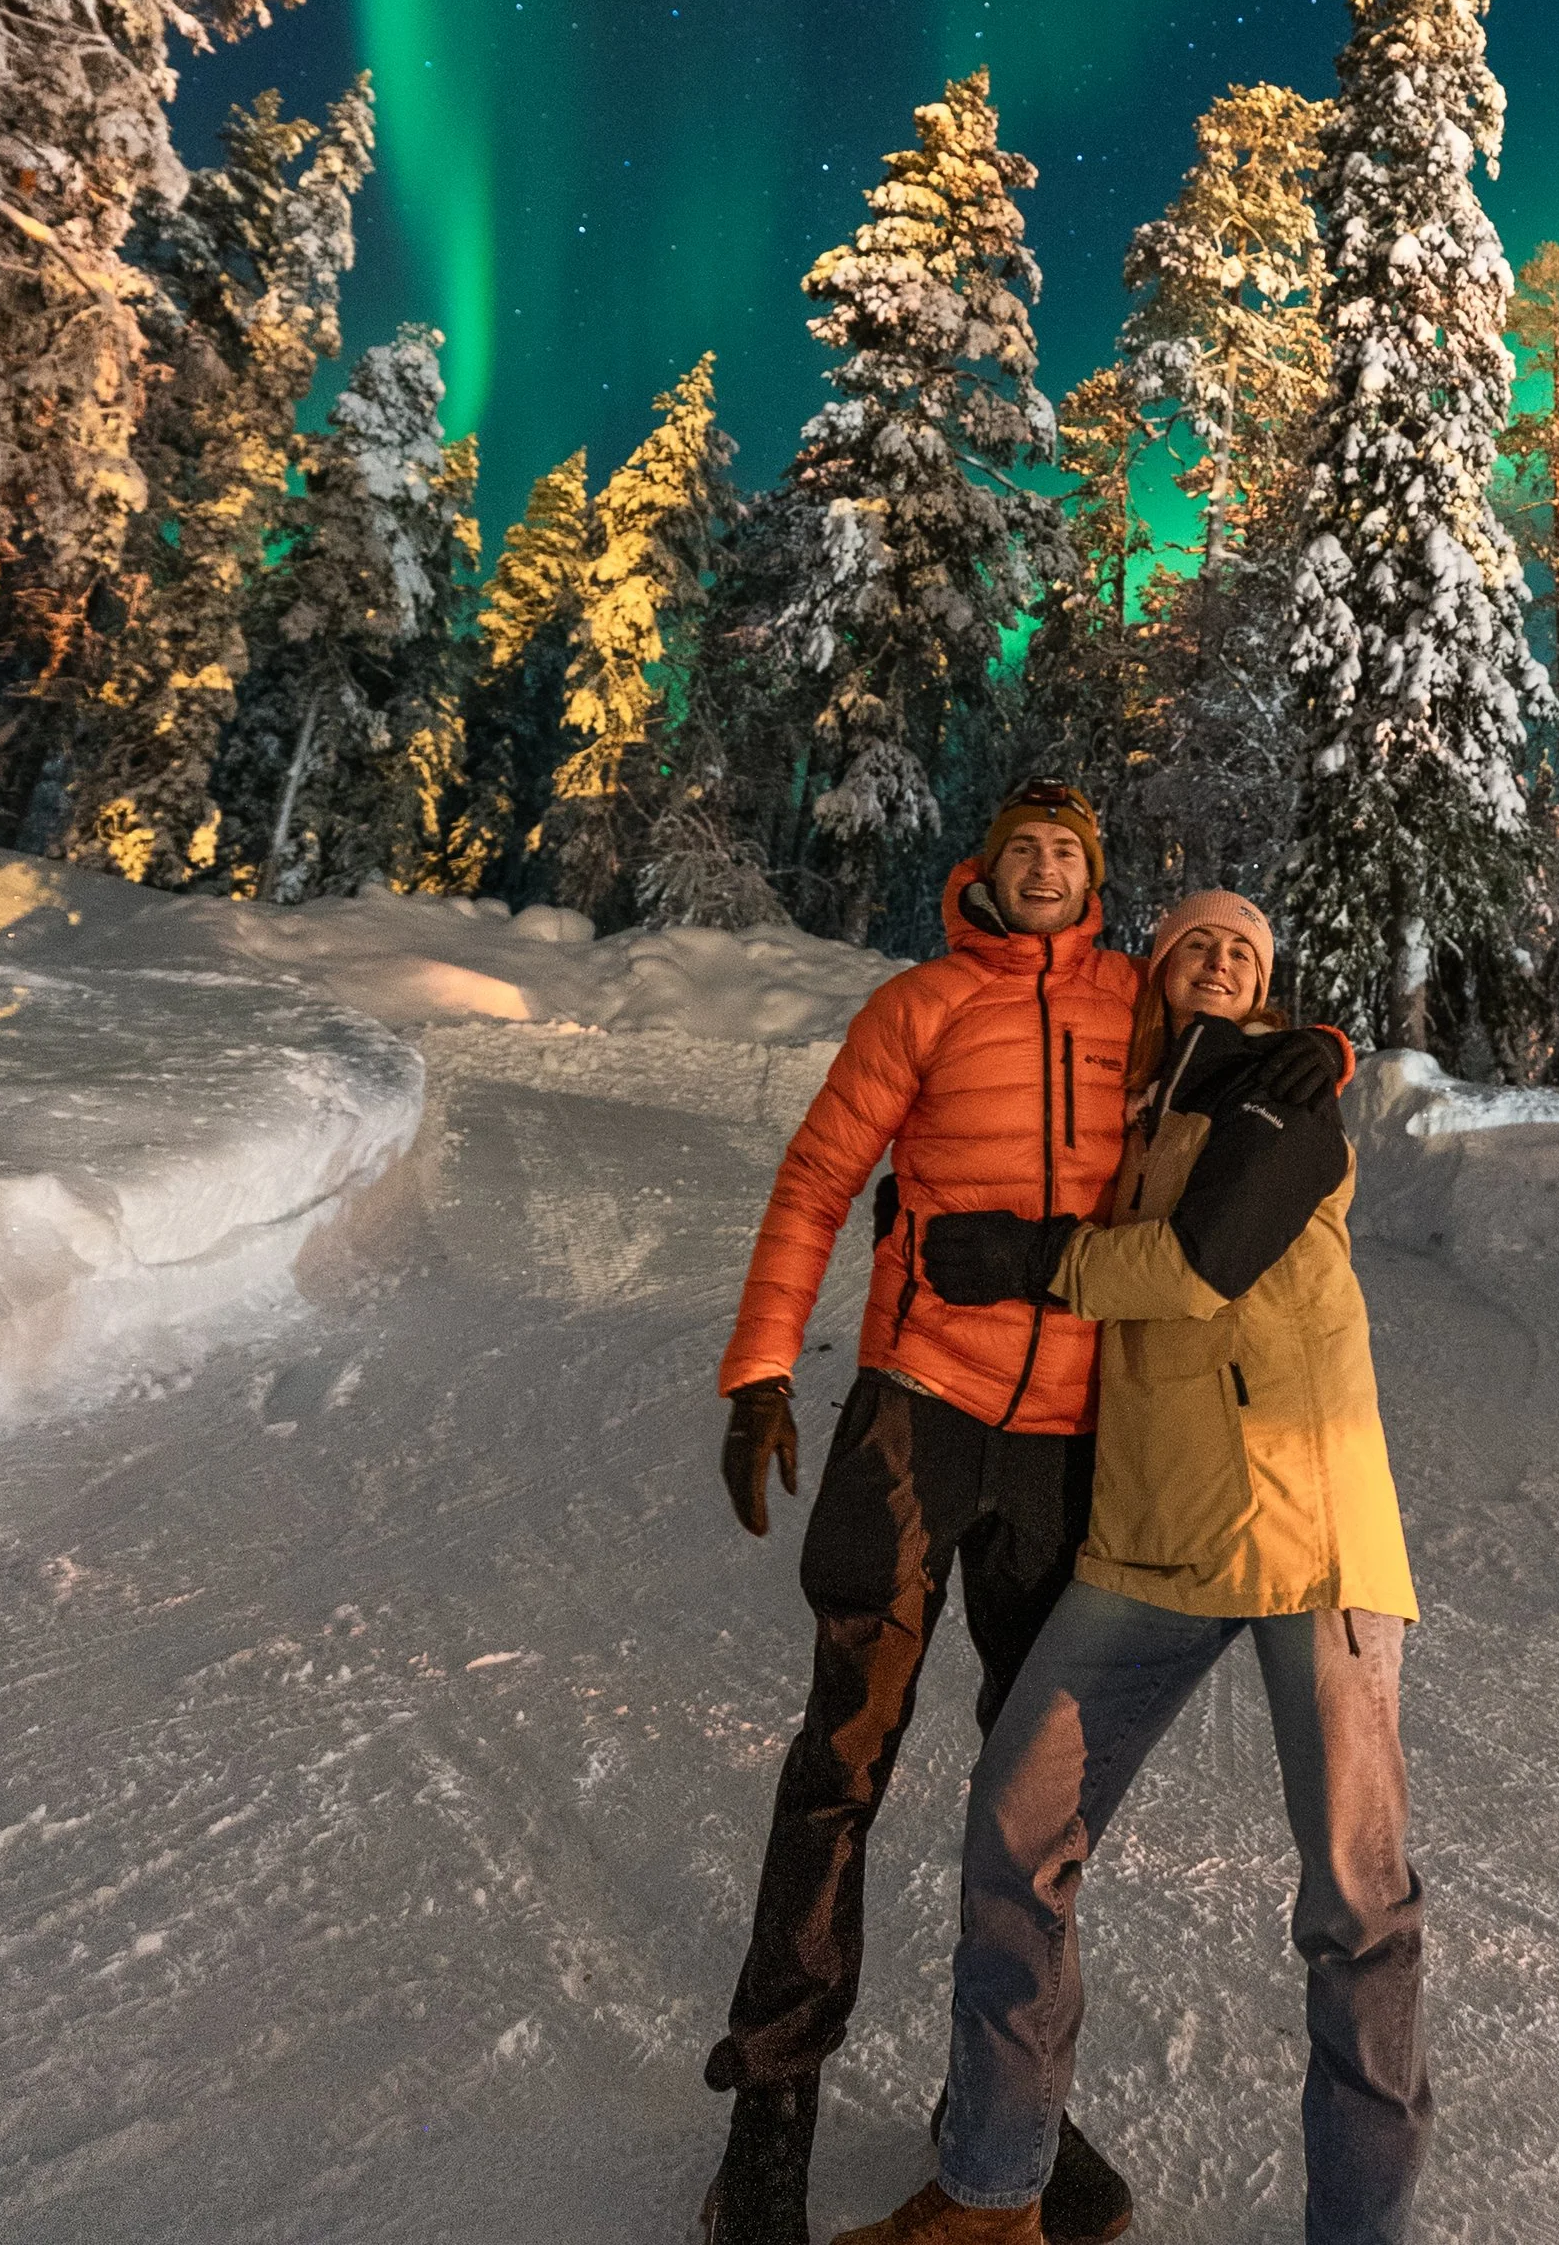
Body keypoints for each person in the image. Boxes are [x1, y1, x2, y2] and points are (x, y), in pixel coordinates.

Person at [826, 887, 1427, 2245]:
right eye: (1193, 943)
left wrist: (1025, 1262)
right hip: (1151, 1533)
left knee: (1355, 1902)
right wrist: (924, 1209)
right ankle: (994, 2190)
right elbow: (1015, 1138)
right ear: (1151, 976)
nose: (1221, 957)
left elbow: (1205, 1262)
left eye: (1248, 949)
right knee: (1016, 1825)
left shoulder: (1286, 1088)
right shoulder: (1137, 1110)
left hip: (1304, 1528)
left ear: (1268, 988)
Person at [701, 783, 1146, 2245]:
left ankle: (1007, 2103)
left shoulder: (1138, 1006)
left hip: (1066, 1442)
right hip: (917, 1410)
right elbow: (823, 1171)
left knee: (1037, 1795)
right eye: (1021, 846)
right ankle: (771, 2108)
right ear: (985, 867)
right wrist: (763, 1365)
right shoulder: (924, 1003)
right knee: (843, 1756)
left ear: (1093, 877)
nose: (1042, 867)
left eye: (1066, 853)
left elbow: (1238, 1108)